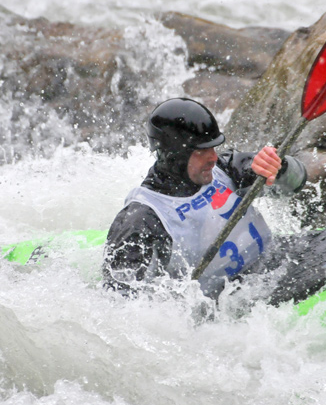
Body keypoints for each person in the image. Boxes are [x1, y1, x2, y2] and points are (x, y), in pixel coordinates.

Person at [102, 97, 309, 301]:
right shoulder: (141, 220)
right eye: (202, 151)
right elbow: (121, 309)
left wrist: (280, 167)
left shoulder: (225, 169)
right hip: (236, 302)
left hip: (279, 261)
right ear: (174, 156)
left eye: (213, 147)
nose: (213, 157)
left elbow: (297, 182)